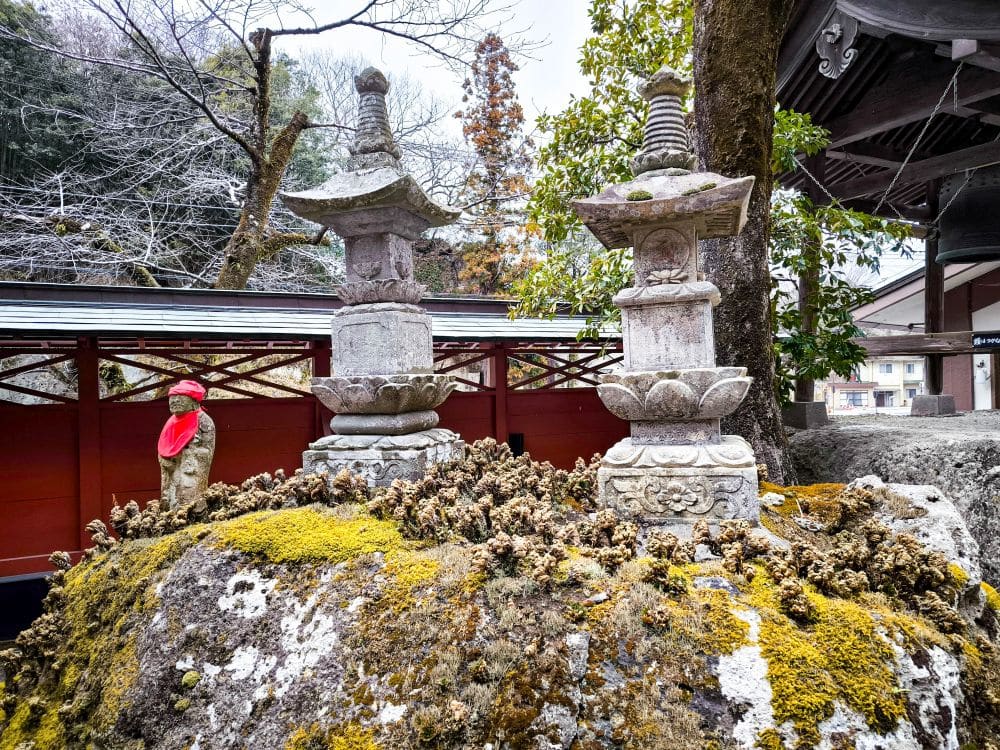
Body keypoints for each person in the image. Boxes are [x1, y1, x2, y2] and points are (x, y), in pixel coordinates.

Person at [157, 380, 215, 511]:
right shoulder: (171, 422)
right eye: (172, 398)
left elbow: (207, 451)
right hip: (172, 470)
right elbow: (163, 446)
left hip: (190, 471)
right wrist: (165, 459)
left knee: (189, 503)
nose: (174, 401)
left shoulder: (204, 421)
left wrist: (185, 454)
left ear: (194, 401)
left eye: (179, 397)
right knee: (170, 500)